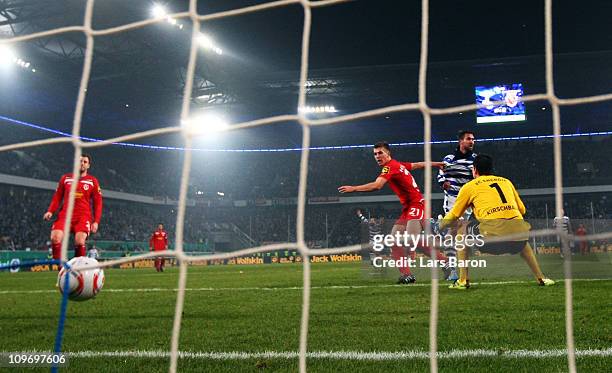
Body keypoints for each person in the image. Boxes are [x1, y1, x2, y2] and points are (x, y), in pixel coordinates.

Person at [339, 142, 450, 284]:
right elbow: (417, 165)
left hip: (417, 204)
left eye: (380, 153)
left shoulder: (390, 167)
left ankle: (444, 258)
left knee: (411, 240)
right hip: (408, 207)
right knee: (394, 240)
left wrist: (354, 188)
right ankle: (408, 275)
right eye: (375, 154)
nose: (377, 156)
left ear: (388, 153)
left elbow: (377, 185)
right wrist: (437, 164)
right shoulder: (399, 165)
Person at [440, 154, 555, 289]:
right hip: (518, 242)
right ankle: (541, 277)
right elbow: (522, 210)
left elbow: (454, 215)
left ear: (474, 170)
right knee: (517, 230)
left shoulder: (469, 187)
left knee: (461, 227)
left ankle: (463, 281)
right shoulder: (506, 182)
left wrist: (441, 225)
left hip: (492, 242)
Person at [43, 154, 103, 260]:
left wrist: (96, 221)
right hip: (65, 215)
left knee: (80, 241)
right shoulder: (65, 178)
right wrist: (50, 211)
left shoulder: (92, 181)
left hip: (83, 216)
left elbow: (98, 202)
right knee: (55, 238)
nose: (82, 163)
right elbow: (57, 197)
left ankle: (77, 268)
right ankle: (60, 268)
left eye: (85, 162)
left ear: (88, 165)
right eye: (80, 161)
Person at [437, 130, 476, 281]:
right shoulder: (449, 158)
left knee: (457, 234)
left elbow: (477, 177)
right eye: (468, 139)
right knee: (457, 231)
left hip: (467, 201)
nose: (472, 141)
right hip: (453, 199)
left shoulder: (475, 159)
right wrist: (443, 182)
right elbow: (441, 173)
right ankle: (454, 270)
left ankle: (440, 227)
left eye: (473, 139)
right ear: (461, 141)